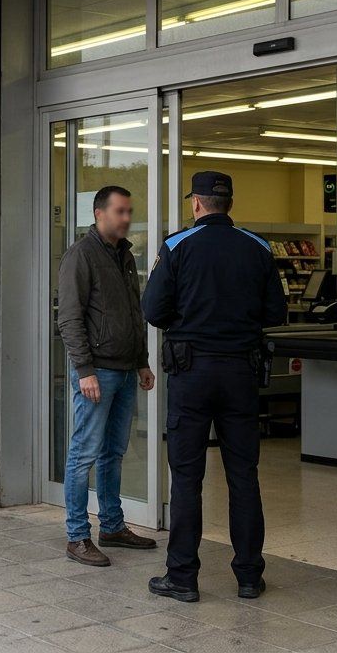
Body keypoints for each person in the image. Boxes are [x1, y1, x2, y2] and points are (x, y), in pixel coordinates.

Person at [142, 171, 286, 603]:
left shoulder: (177, 246)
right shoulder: (258, 247)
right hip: (241, 372)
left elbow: (152, 309)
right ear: (228, 203)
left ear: (197, 204)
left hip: (191, 372)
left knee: (187, 476)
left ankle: (182, 577)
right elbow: (276, 312)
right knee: (244, 475)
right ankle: (248, 576)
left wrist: (187, 323)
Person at [56, 185, 158, 567]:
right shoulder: (80, 256)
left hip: (126, 369)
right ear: (100, 213)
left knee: (113, 453)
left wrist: (142, 361)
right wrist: (84, 370)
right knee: (83, 454)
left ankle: (112, 526)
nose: (127, 218)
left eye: (129, 211)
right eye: (120, 211)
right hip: (96, 371)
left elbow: (134, 313)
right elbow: (69, 318)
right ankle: (77, 536)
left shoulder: (124, 257)